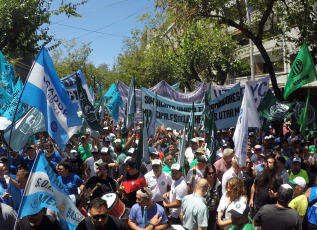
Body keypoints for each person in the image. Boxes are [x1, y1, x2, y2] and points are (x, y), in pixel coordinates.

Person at [203, 164, 221, 230]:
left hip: (214, 212)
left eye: (213, 173)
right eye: (209, 173)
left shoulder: (218, 183)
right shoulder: (202, 183)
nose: (211, 175)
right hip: (204, 213)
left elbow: (220, 197)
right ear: (206, 174)